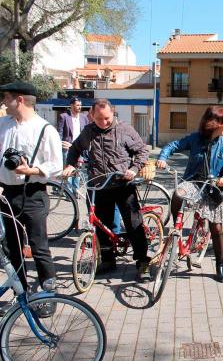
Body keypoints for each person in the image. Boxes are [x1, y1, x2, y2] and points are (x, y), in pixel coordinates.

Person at [63, 98, 151, 282]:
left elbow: (142, 151)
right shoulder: (88, 132)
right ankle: (108, 260)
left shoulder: (124, 129)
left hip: (123, 185)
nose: (103, 122)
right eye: (99, 119)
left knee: (134, 224)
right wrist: (70, 165)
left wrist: (133, 170)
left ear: (113, 113)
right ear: (92, 116)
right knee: (101, 227)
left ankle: (142, 262)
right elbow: (75, 149)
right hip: (99, 186)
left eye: (107, 118)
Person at [0, 81, 62, 316]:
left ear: (20, 100)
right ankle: (21, 293)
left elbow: (56, 165)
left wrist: (32, 170)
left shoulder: (45, 129)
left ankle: (47, 295)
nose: (4, 102)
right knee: (12, 249)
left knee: (39, 247)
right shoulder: (3, 124)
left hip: (33, 194)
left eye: (7, 97)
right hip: (6, 194)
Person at [157, 107, 223, 283]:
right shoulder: (196, 139)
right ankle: (176, 227)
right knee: (178, 193)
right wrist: (163, 157)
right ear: (214, 124)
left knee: (216, 229)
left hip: (214, 188)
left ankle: (219, 265)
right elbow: (173, 145)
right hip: (194, 183)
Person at [57, 97, 89, 192]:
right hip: (68, 147)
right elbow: (59, 132)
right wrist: (60, 143)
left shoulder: (84, 117)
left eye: (80, 105)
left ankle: (76, 191)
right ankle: (69, 192)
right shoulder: (64, 116)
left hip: (80, 147)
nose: (79, 107)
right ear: (71, 105)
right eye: (77, 105)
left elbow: (86, 132)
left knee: (78, 169)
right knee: (69, 169)